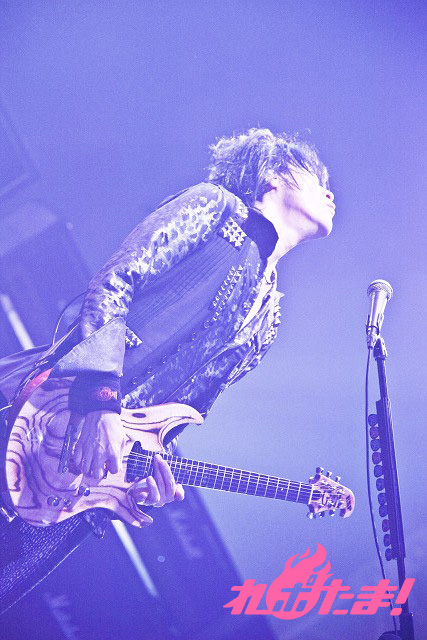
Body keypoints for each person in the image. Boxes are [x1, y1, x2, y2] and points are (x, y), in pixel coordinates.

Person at [0, 127, 335, 611]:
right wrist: (101, 402)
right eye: (317, 179)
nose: (330, 193)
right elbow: (115, 283)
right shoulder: (217, 209)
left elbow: (184, 409)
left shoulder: (268, 321)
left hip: (78, 492)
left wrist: (148, 473)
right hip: (43, 413)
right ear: (273, 176)